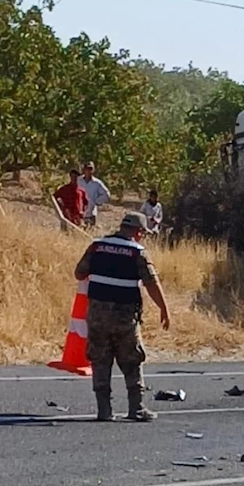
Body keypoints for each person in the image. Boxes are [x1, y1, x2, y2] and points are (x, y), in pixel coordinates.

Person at [74, 211, 171, 422]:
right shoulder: (137, 252)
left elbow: (79, 273)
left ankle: (104, 410)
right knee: (132, 360)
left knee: (100, 360)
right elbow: (151, 283)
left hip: (97, 317)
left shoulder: (96, 246)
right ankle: (137, 408)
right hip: (124, 318)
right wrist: (164, 308)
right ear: (139, 231)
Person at [78, 161, 111, 228]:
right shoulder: (78, 180)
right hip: (79, 213)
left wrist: (96, 201)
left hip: (91, 214)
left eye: (90, 169)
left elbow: (106, 194)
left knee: (90, 231)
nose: (88, 171)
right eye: (87, 169)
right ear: (84, 170)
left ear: (93, 170)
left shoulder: (97, 183)